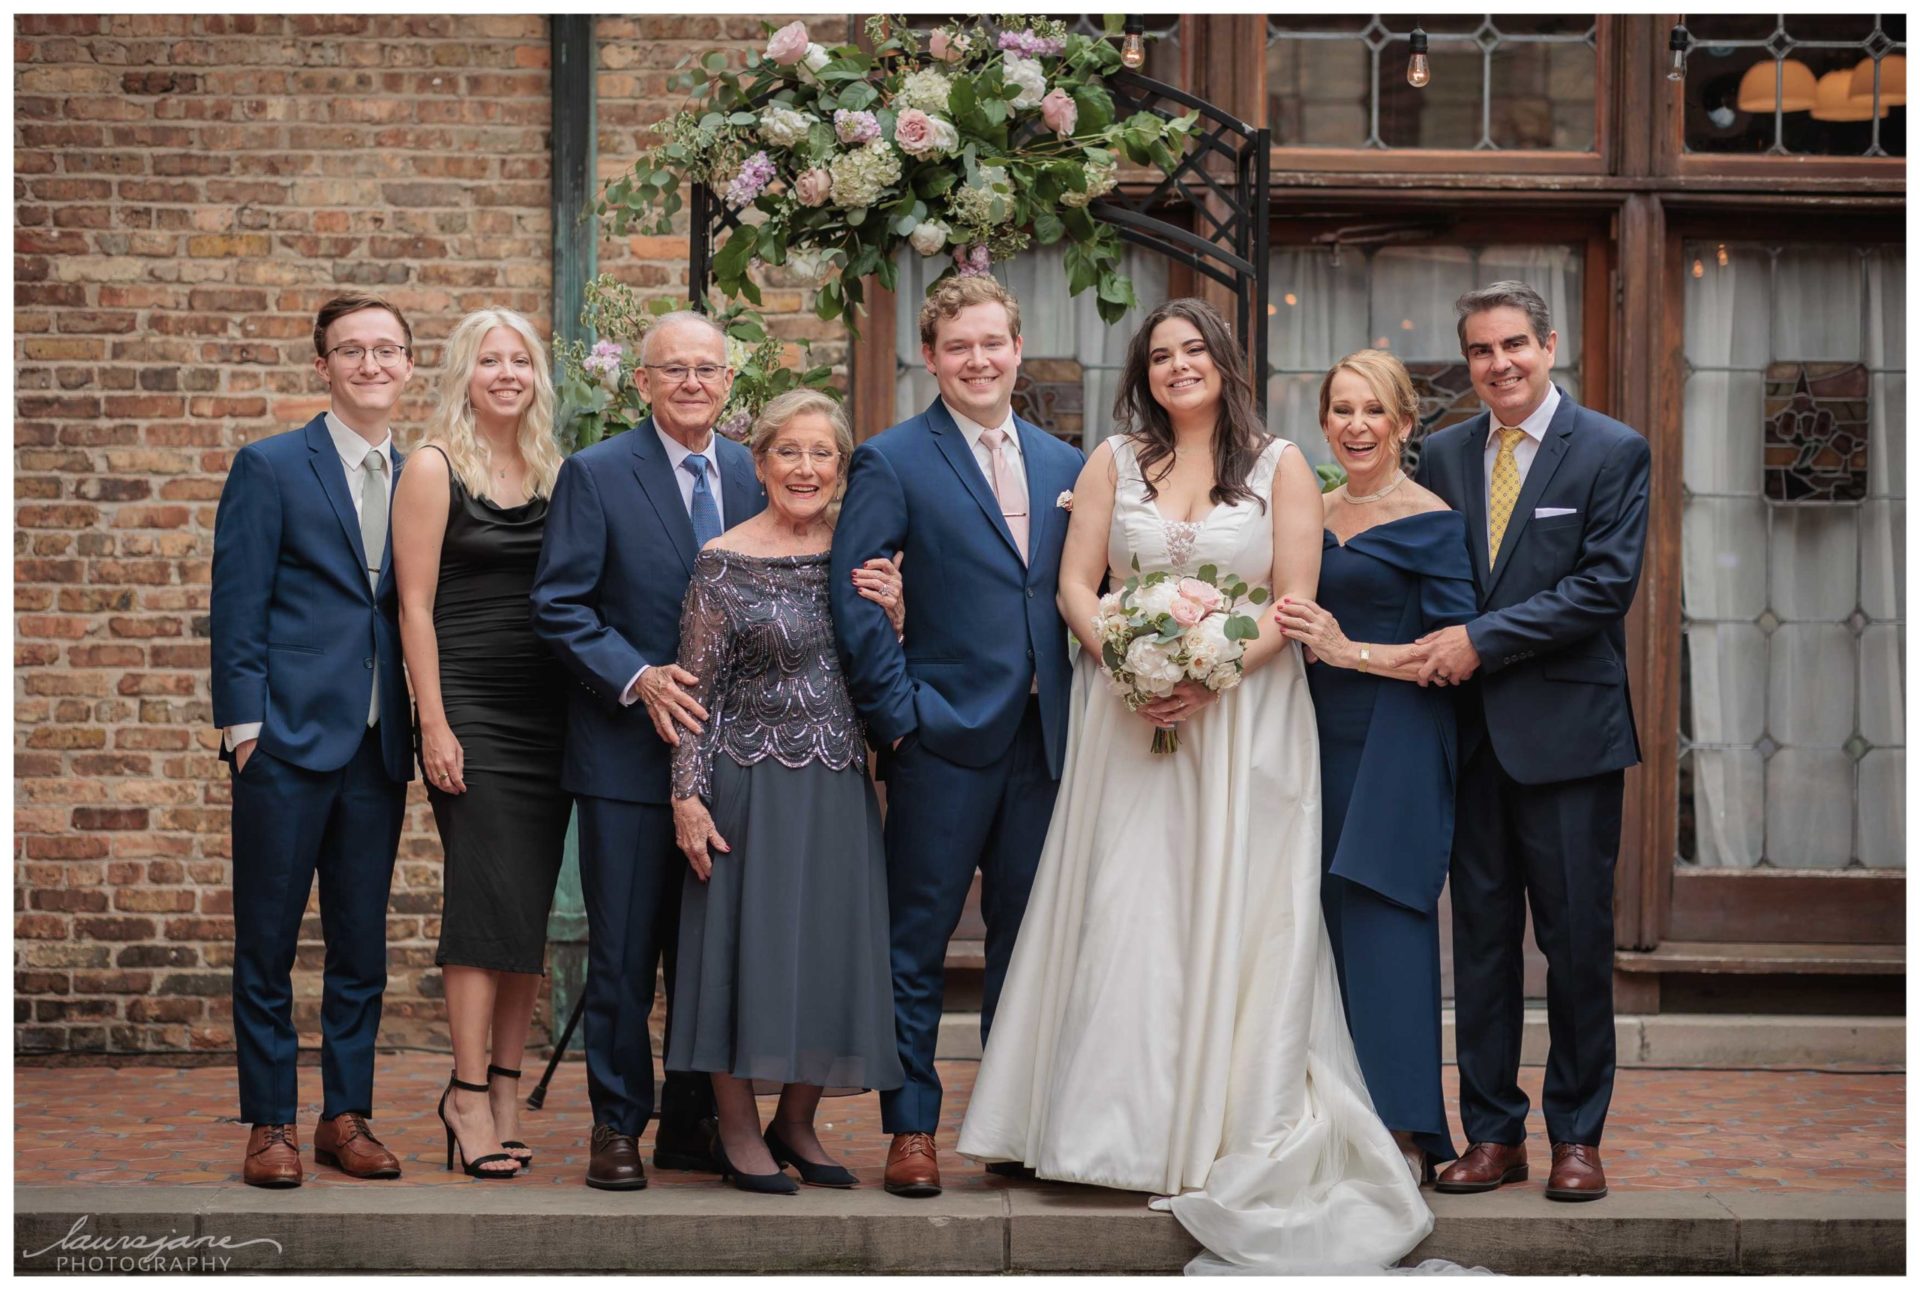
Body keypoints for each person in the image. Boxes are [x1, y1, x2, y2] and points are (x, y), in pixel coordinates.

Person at [956, 298, 1432, 1273]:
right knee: (1126, 907)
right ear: (1146, 371)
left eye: (1194, 350)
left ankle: (1219, 1128)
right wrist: (1133, 669)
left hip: (1247, 719)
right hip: (1121, 720)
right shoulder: (1113, 463)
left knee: (1233, 908)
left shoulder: (1283, 466)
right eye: (1161, 354)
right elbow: (1076, 588)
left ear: (1225, 361)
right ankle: (1099, 1133)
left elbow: (1293, 603)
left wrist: (1205, 673)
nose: (1179, 366)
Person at [830, 275, 1084, 1198]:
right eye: (959, 347)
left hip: (1045, 745)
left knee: (1031, 943)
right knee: (916, 943)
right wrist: (902, 725)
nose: (979, 361)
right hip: (940, 740)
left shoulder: (1068, 465)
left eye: (993, 343)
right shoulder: (892, 460)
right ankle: (911, 1130)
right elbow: (856, 608)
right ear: (932, 357)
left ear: (1018, 348)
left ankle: (1012, 1123)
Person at [1412, 281, 1651, 1204]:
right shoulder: (1441, 454)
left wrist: (1480, 638)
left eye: (1514, 345)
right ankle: (1492, 1134)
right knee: (1478, 947)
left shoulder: (1610, 451)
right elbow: (1432, 576)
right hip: (1467, 743)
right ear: (1467, 362)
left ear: (1549, 345)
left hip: (1569, 741)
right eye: (1480, 351)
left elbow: (1603, 589)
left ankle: (1578, 1138)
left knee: (1578, 944)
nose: (1499, 364)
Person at [529, 312, 758, 1189]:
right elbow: (559, 605)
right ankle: (618, 1126)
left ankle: (694, 1121)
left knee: (705, 951)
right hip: (626, 753)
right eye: (675, 370)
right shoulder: (595, 474)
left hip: (732, 762)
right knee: (623, 952)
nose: (692, 383)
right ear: (644, 384)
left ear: (728, 382)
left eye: (707, 369)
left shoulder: (750, 470)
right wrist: (638, 677)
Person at [666, 390, 908, 1195]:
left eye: (823, 455)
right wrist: (687, 797)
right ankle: (736, 1128)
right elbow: (694, 694)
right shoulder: (723, 561)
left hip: (839, 780)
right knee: (742, 948)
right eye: (789, 453)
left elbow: (881, 664)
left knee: (833, 950)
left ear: (842, 469)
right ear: (760, 461)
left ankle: (796, 1121)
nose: (806, 469)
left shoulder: (860, 554)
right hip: (745, 783)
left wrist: (899, 617)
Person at [210, 294, 416, 1187]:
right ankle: (270, 1126)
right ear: (322, 365)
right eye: (352, 351)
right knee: (267, 942)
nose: (372, 365)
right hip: (286, 744)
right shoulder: (271, 467)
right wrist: (245, 731)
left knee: (360, 947)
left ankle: (345, 1116)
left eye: (388, 350)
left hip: (378, 747)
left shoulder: (423, 477)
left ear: (409, 365)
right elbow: (237, 604)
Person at [1271, 349, 1476, 1186]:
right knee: (1311, 924)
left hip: (1396, 733)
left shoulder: (1432, 518)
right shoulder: (1307, 512)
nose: (1356, 426)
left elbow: (1453, 657)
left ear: (1404, 423)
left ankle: (1405, 1128)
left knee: (1386, 921)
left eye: (1373, 411)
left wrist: (1343, 649)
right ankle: (1329, 1116)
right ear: (1324, 421)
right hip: (1308, 736)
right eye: (1341, 410)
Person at [392, 309, 571, 1178]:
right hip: (470, 705)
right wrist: (435, 720)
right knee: (482, 901)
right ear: (465, 373)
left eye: (520, 361)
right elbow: (413, 604)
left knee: (526, 912)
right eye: (490, 360)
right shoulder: (433, 466)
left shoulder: (553, 468)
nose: (507, 373)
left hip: (549, 711)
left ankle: (507, 1090)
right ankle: (465, 1095)